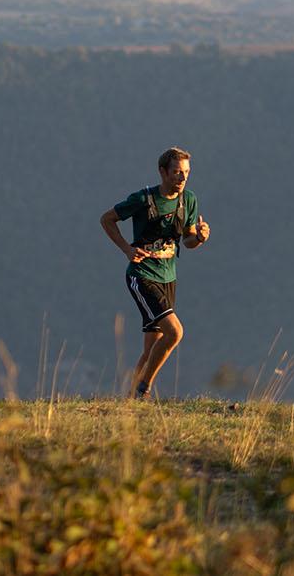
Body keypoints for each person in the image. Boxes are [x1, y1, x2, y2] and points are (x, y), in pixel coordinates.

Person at [99, 146, 210, 400]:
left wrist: (201, 238)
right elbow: (106, 219)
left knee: (151, 350)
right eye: (177, 172)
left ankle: (130, 402)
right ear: (162, 172)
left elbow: (189, 241)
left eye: (186, 173)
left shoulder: (188, 200)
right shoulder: (143, 199)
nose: (182, 178)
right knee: (175, 332)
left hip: (168, 277)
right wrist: (127, 249)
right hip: (142, 274)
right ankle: (143, 388)